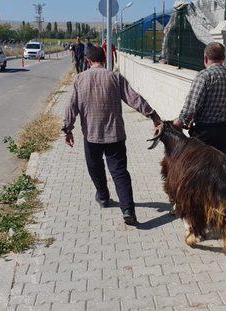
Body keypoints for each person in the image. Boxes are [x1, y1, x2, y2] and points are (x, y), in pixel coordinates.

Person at [63, 46, 162, 226]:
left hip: (91, 135)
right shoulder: (115, 77)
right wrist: (153, 116)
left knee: (95, 167)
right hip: (115, 134)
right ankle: (128, 210)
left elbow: (72, 106)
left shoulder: (80, 79)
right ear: (105, 58)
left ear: (88, 61)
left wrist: (67, 129)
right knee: (119, 172)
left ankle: (102, 196)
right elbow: (134, 98)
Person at [173, 42, 226, 156]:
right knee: (219, 170)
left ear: (206, 58)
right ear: (223, 58)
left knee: (199, 170)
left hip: (207, 134)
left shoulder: (205, 75)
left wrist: (180, 121)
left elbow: (193, 104)